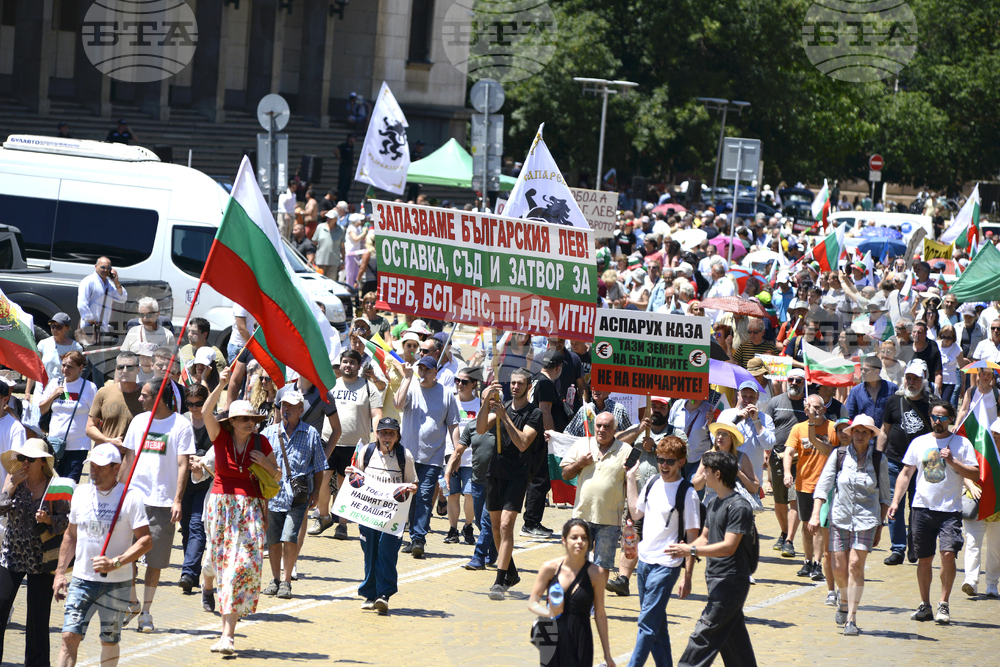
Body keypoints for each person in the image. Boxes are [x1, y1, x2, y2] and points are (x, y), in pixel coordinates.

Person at [53, 444, 151, 667]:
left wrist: (115, 562)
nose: (94, 471)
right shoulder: (80, 493)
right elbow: (70, 535)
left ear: (116, 468)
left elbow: (146, 541)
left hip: (116, 584)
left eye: (100, 467)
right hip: (82, 580)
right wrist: (60, 574)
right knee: (69, 637)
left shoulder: (130, 497)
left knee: (109, 640)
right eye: (92, 466)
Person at [202, 376, 280, 654]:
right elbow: (204, 412)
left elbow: (277, 478)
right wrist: (221, 385)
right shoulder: (220, 437)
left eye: (253, 419)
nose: (250, 422)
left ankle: (228, 634)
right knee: (223, 567)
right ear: (232, 422)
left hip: (250, 509)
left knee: (242, 567)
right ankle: (226, 630)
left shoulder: (262, 443)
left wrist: (266, 466)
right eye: (244, 418)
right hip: (221, 507)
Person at [888, 400, 979, 624]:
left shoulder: (962, 443)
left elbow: (975, 474)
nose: (937, 421)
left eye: (942, 417)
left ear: (950, 419)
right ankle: (925, 604)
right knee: (924, 559)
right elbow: (906, 474)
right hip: (921, 508)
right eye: (934, 417)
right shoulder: (919, 442)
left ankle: (944, 603)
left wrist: (952, 460)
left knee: (948, 555)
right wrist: (895, 501)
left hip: (950, 510)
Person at [665, 451, 757, 667]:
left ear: (717, 474)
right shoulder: (714, 502)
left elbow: (728, 547)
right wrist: (684, 548)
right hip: (716, 579)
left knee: (704, 633)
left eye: (705, 471)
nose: (702, 475)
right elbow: (704, 539)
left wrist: (691, 552)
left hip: (732, 581)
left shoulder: (739, 507)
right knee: (734, 641)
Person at [120, 378, 195, 633]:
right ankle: (132, 602)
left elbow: (184, 464)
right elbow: (128, 459)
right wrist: (117, 494)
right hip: (134, 500)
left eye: (144, 395)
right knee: (126, 556)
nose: (139, 399)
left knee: (155, 561)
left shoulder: (181, 425)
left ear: (159, 397)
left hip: (162, 503)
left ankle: (147, 614)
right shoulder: (138, 422)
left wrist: (177, 500)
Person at [810, 415, 890, 635]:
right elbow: (822, 486)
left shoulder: (878, 460)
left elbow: (885, 496)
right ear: (850, 433)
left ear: (871, 435)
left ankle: (852, 619)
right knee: (838, 567)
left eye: (865, 432)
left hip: (866, 520)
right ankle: (843, 600)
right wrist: (816, 514)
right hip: (840, 517)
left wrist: (880, 525)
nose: (860, 435)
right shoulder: (839, 455)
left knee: (855, 564)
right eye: (857, 431)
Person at [624, 436, 700, 667]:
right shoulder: (653, 482)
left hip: (667, 566)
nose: (664, 465)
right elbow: (637, 514)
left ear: (681, 462)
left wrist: (687, 577)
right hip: (645, 562)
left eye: (669, 461)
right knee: (657, 625)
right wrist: (630, 480)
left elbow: (693, 541)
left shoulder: (688, 493)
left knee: (646, 625)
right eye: (660, 460)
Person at [0, 440, 70, 667]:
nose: (25, 463)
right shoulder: (13, 481)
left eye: (30, 459)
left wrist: (49, 519)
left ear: (42, 462)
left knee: (38, 620)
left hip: (41, 560)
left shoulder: (55, 486)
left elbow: (66, 522)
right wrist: (10, 487)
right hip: (11, 555)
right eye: (22, 458)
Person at [479, 370, 543, 600]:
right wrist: (486, 403)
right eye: (513, 383)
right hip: (494, 472)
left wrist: (504, 417)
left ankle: (499, 580)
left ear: (528, 387)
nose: (515, 387)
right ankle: (511, 572)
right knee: (496, 527)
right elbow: (479, 429)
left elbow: (524, 443)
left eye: (520, 384)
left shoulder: (533, 413)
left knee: (506, 526)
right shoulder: (501, 405)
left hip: (517, 475)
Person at [261, 391, 326, 600]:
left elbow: (319, 466)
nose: (287, 409)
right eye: (284, 405)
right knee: (273, 540)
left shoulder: (311, 433)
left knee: (289, 537)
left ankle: (287, 581)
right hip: (273, 495)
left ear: (301, 410)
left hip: (298, 496)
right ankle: (275, 579)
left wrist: (316, 491)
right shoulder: (268, 433)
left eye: (292, 406)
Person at [349, 418, 417, 614]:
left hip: (393, 515)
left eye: (391, 433)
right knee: (370, 551)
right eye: (383, 432)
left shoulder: (405, 455)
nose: (387, 436)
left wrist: (411, 488)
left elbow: (413, 483)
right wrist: (350, 474)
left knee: (386, 552)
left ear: (397, 436)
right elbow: (356, 476)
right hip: (368, 514)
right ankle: (370, 594)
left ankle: (384, 595)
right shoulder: (367, 452)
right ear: (376, 434)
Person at [395, 355, 460, 557]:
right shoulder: (411, 386)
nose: (422, 373)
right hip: (407, 456)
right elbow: (398, 404)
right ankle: (413, 536)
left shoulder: (446, 394)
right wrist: (406, 378)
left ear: (435, 373)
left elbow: (453, 425)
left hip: (433, 456)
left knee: (424, 496)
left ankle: (419, 539)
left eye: (427, 370)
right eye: (420, 369)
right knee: (410, 498)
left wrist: (457, 452)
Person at [527, 519, 615, 667]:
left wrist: (607, 654)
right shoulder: (550, 568)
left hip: (581, 638)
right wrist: (549, 613)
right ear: (564, 540)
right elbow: (532, 603)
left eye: (584, 538)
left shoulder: (596, 573)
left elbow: (600, 614)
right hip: (552, 637)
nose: (579, 541)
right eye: (574, 537)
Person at [315, 349, 381, 538]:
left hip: (355, 445)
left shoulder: (368, 387)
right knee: (322, 481)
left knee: (346, 486)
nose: (348, 365)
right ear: (340, 364)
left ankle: (342, 524)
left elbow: (376, 414)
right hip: (328, 441)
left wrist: (377, 437)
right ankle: (324, 516)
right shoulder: (330, 386)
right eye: (345, 362)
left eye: (352, 362)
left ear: (359, 366)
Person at [560, 412, 632, 584]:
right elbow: (565, 474)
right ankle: (578, 599)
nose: (601, 430)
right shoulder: (582, 444)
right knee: (577, 561)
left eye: (607, 426)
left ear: (615, 429)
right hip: (582, 515)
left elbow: (630, 484)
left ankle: (596, 603)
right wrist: (580, 463)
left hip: (609, 519)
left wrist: (630, 515)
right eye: (599, 425)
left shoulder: (626, 450)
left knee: (602, 565)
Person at [881, 359, 933, 565]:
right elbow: (885, 431)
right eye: (908, 378)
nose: (911, 382)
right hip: (895, 461)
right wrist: (878, 456)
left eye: (915, 379)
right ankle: (898, 549)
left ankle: (915, 546)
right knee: (895, 505)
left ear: (923, 380)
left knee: (918, 508)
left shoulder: (931, 404)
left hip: (921, 465)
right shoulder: (893, 400)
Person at [784, 394, 837, 582]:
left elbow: (830, 452)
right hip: (803, 484)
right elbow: (789, 452)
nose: (814, 410)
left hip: (824, 487)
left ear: (823, 409)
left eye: (817, 407)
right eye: (810, 407)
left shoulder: (832, 428)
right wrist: (787, 473)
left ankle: (817, 563)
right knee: (807, 526)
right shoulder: (798, 428)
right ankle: (807, 561)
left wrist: (814, 431)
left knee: (820, 526)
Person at [764, 368, 807, 558]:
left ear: (804, 383)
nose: (795, 383)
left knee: (794, 499)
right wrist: (767, 452)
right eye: (792, 379)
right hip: (777, 456)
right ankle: (783, 532)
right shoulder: (775, 402)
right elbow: (767, 427)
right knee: (779, 501)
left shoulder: (808, 403)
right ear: (786, 381)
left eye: (799, 380)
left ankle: (789, 540)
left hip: (802, 459)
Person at [39, 351, 97, 482]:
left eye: (70, 366)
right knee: (51, 483)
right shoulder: (55, 383)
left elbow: (96, 416)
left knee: (69, 484)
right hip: (54, 445)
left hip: (78, 447)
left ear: (80, 368)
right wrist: (54, 395)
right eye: (63, 365)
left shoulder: (89, 387)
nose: (65, 369)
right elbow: (42, 409)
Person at [178, 384, 213, 594]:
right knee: (185, 528)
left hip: (207, 480)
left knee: (197, 526)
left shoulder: (213, 420)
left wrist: (203, 458)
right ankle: (190, 571)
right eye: (190, 404)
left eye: (199, 403)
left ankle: (189, 573)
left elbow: (219, 448)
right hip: (185, 481)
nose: (194, 408)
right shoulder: (181, 421)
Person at [24, 312, 83, 427]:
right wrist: (27, 392)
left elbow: (78, 372)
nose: (54, 329)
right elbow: (34, 368)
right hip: (41, 388)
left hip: (63, 389)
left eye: (59, 326)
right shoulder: (43, 344)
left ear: (67, 328)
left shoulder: (75, 347)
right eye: (52, 325)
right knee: (37, 423)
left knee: (58, 421)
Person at [717, 380, 775, 490]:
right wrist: (735, 420)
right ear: (738, 395)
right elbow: (716, 440)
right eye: (744, 396)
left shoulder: (765, 419)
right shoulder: (726, 414)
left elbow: (769, 444)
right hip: (725, 476)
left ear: (758, 397)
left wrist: (757, 422)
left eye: (751, 397)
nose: (747, 400)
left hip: (751, 480)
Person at [86, 351, 143, 457]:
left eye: (130, 367)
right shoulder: (103, 392)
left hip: (135, 461)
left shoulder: (146, 396)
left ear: (138, 370)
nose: (125, 371)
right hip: (105, 458)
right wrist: (108, 441)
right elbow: (90, 427)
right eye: (120, 367)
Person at [76, 256, 127, 339]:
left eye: (108, 268)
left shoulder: (109, 284)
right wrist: (92, 321)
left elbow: (122, 298)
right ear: (96, 266)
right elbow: (82, 305)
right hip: (90, 328)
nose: (105, 270)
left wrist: (116, 282)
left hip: (103, 328)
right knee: (89, 351)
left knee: (101, 351)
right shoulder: (88, 281)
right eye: (103, 267)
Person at [845, 356, 897, 427]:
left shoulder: (892, 389)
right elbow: (849, 416)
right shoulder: (855, 391)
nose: (863, 372)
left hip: (886, 435)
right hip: (863, 436)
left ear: (876, 372)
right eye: (861, 369)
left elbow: (897, 414)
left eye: (866, 370)